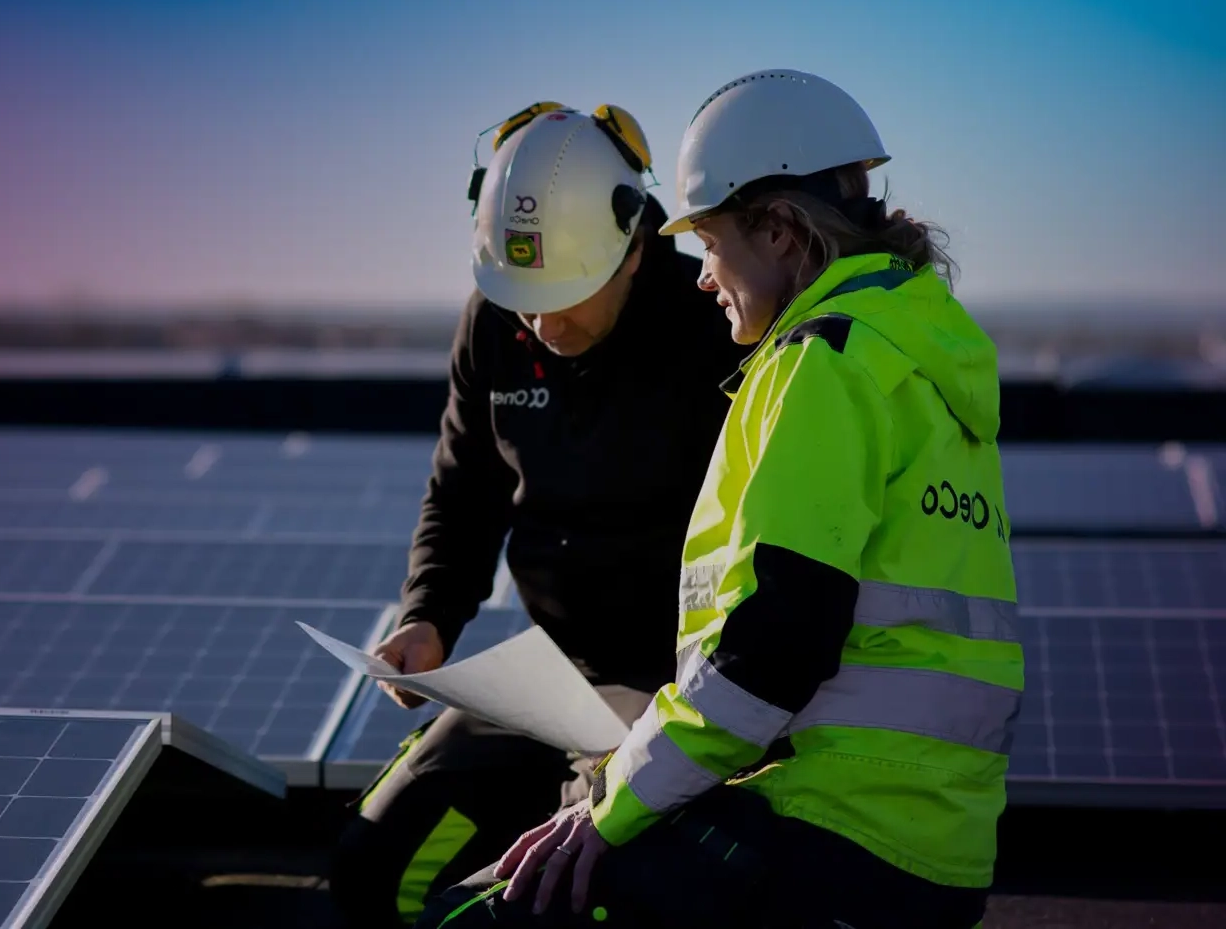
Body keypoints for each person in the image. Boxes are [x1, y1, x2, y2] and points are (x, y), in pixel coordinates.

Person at [417, 68, 1023, 929]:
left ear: (778, 231)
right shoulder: (921, 355)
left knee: (475, 916)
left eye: (709, 244)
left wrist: (609, 805)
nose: (702, 277)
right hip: (933, 849)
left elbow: (772, 648)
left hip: (827, 824)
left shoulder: (822, 366)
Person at [328, 101, 750, 929]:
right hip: (544, 680)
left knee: (556, 897)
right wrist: (428, 617)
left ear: (633, 247)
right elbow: (462, 487)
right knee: (367, 866)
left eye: (564, 298)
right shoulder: (493, 321)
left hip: (675, 691)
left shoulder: (714, 323)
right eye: (525, 301)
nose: (542, 325)